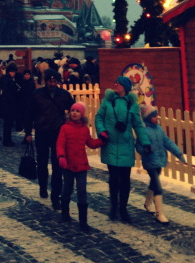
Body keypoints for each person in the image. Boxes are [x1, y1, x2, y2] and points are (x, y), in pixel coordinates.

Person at [95, 75, 150, 223]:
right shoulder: (107, 102)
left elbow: (138, 125)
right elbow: (98, 118)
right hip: (111, 143)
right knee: (113, 179)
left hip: (126, 145)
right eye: (115, 82)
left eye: (119, 83)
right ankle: (113, 206)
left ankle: (123, 209)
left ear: (125, 87)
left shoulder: (132, 105)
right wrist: (102, 131)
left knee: (125, 179)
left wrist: (145, 142)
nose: (115, 84)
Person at [24, 68, 73, 210]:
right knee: (42, 162)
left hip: (58, 133)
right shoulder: (37, 94)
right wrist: (28, 132)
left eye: (54, 80)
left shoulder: (64, 95)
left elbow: (73, 109)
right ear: (46, 81)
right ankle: (43, 186)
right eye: (50, 80)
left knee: (58, 166)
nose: (52, 83)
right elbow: (29, 114)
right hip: (42, 132)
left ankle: (55, 195)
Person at [56, 102, 106, 232]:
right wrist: (61, 156)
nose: (74, 113)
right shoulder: (65, 128)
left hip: (81, 165)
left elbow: (90, 143)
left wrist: (102, 140)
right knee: (67, 188)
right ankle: (65, 214)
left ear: (82, 114)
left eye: (77, 111)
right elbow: (60, 144)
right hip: (68, 164)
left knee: (82, 191)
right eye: (72, 110)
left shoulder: (84, 129)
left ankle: (83, 221)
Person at [136, 104, 186, 224]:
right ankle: (160, 213)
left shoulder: (159, 129)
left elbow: (167, 142)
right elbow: (138, 145)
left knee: (154, 181)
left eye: (156, 115)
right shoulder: (143, 131)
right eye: (153, 116)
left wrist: (178, 153)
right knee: (157, 185)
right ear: (148, 118)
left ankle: (147, 203)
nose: (156, 118)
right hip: (150, 161)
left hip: (159, 160)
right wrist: (145, 150)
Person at [0, 63, 21, 146]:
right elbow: (9, 92)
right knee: (8, 124)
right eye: (12, 72)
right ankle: (7, 141)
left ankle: (7, 140)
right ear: (9, 71)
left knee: (7, 123)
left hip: (6, 103)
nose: (14, 73)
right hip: (8, 104)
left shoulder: (6, 78)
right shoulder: (8, 79)